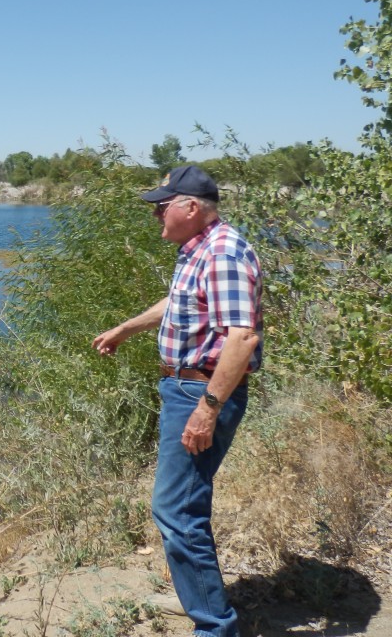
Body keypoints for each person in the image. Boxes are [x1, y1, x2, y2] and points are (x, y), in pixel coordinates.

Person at [92, 164, 263, 637]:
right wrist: (127, 328)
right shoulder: (199, 250)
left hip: (199, 391)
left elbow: (242, 338)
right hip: (185, 388)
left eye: (160, 207)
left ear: (190, 208)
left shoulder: (224, 252)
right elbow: (179, 303)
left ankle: (213, 626)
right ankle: (199, 599)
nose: (155, 216)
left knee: (177, 511)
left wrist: (206, 409)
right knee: (182, 507)